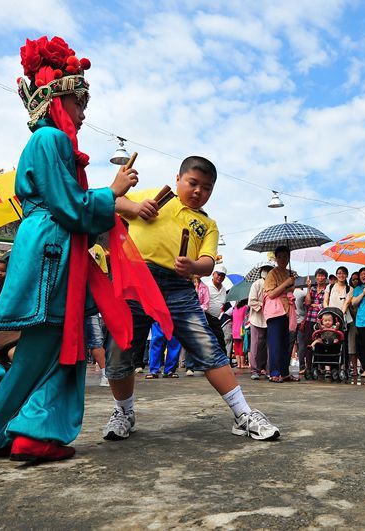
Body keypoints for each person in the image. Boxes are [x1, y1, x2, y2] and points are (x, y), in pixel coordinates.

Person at [0, 36, 139, 462]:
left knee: (55, 349)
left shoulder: (46, 144)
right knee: (54, 347)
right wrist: (112, 192)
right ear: (58, 99)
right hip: (55, 250)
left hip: (51, 247)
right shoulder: (52, 142)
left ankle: (8, 432)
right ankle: (8, 432)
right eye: (79, 101)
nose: (82, 111)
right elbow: (70, 208)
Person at [107, 156, 280, 441]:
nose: (199, 191)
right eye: (193, 183)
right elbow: (111, 202)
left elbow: (208, 262)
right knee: (120, 347)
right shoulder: (154, 197)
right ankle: (123, 412)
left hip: (179, 287)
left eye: (207, 188)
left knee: (208, 346)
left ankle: (243, 414)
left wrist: (193, 267)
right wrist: (136, 207)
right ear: (178, 179)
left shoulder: (208, 224)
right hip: (136, 280)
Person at [262, 246, 298, 383]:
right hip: (275, 312)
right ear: (276, 258)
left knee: (285, 344)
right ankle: (275, 372)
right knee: (275, 343)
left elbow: (289, 291)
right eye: (280, 257)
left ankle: (284, 372)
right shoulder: (272, 273)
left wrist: (291, 285)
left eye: (286, 257)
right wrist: (286, 284)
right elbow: (271, 294)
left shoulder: (289, 273)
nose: (283, 259)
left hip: (287, 311)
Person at [324, 266, 353, 376]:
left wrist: (340, 315)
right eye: (339, 273)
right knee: (330, 342)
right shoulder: (330, 287)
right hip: (329, 319)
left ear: (346, 275)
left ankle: (343, 366)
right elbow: (325, 301)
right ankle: (330, 367)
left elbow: (347, 303)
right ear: (336, 275)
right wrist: (328, 313)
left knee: (343, 343)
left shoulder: (349, 289)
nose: (341, 275)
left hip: (344, 319)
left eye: (343, 273)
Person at [300, 269, 327, 376]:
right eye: (318, 276)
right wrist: (308, 288)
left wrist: (315, 305)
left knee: (321, 343)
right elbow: (307, 303)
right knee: (308, 343)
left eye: (322, 276)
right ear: (315, 277)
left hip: (322, 321)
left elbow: (325, 304)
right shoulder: (313, 289)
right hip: (310, 320)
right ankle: (309, 367)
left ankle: (319, 366)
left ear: (325, 278)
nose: (320, 278)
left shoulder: (328, 289)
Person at [247, 265, 272, 380]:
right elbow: (251, 301)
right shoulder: (257, 284)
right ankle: (254, 369)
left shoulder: (273, 285)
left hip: (270, 318)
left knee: (269, 346)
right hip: (257, 318)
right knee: (256, 345)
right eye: (266, 270)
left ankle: (267, 369)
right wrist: (264, 306)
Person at [206, 264, 229, 352]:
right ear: (213, 274)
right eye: (218, 274)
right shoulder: (206, 286)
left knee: (220, 341)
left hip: (216, 319)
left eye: (222, 275)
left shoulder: (224, 290)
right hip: (205, 317)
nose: (220, 277)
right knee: (204, 341)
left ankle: (222, 362)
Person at [231, 300, 249, 368]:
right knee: (242, 347)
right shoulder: (245, 307)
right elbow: (246, 318)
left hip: (234, 329)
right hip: (242, 330)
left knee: (236, 347)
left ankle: (239, 364)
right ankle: (242, 364)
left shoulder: (235, 308)